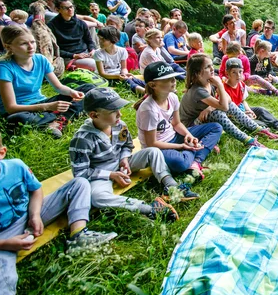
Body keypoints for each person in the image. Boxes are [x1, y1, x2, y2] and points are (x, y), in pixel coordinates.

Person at [0, 123, 117, 295]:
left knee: (80, 184)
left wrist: (35, 214)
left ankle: (79, 235)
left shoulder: (16, 167)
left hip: (28, 213)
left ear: (0, 153)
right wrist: (3, 245)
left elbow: (35, 190)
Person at [69, 88, 189, 222]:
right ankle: (147, 208)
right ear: (94, 115)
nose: (119, 114)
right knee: (96, 197)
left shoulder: (119, 125)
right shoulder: (82, 139)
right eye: (113, 111)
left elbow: (127, 145)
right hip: (100, 174)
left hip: (119, 163)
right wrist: (110, 175)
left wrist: (124, 159)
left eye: (118, 109)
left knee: (153, 151)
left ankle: (170, 185)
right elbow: (80, 173)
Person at [0, 26, 91, 137]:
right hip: (20, 111)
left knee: (88, 89)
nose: (31, 47)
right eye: (23, 44)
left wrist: (71, 92)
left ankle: (55, 121)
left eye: (32, 42)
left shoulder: (40, 59)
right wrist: (48, 107)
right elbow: (11, 108)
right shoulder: (4, 68)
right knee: (17, 119)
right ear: (8, 47)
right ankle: (61, 117)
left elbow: (58, 87)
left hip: (41, 102)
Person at [134, 61, 222, 178]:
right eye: (167, 79)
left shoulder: (172, 97)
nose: (173, 81)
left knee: (216, 127)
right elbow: (152, 143)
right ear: (153, 85)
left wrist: (189, 135)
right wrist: (182, 146)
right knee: (180, 163)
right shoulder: (148, 109)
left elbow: (176, 123)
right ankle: (197, 153)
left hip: (174, 136)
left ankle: (195, 161)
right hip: (160, 147)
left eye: (173, 77)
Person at [179, 55, 277, 148]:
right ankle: (248, 140)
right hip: (190, 128)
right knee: (218, 113)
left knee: (229, 105)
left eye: (212, 65)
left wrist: (210, 107)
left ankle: (258, 129)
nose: (212, 69)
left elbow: (228, 100)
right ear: (197, 73)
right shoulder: (198, 90)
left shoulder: (210, 82)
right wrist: (220, 85)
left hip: (202, 120)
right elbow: (224, 107)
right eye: (207, 67)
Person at [223, 58, 278, 132]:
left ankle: (276, 124)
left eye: (240, 71)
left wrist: (249, 110)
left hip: (242, 109)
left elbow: (243, 101)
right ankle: (264, 127)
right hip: (233, 115)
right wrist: (244, 114)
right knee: (251, 122)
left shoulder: (241, 84)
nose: (238, 75)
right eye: (234, 72)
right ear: (227, 74)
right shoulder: (224, 89)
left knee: (260, 110)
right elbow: (225, 110)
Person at [47, 0, 96, 71]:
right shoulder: (52, 26)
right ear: (58, 10)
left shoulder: (81, 23)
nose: (70, 10)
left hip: (85, 53)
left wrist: (92, 50)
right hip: (68, 57)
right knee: (93, 64)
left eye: (71, 7)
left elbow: (89, 41)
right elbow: (53, 49)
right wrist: (74, 55)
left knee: (107, 58)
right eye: (66, 8)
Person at [94, 27, 145, 95]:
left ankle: (149, 87)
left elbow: (124, 68)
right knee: (126, 81)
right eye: (99, 39)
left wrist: (124, 74)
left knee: (132, 79)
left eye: (103, 40)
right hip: (106, 78)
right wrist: (118, 76)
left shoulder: (122, 51)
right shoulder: (98, 53)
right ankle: (142, 91)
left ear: (112, 40)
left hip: (119, 75)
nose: (100, 41)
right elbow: (102, 74)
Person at [28, 1, 65, 77]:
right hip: (48, 69)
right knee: (60, 60)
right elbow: (55, 45)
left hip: (38, 66)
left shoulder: (31, 27)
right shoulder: (41, 28)